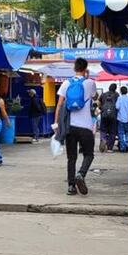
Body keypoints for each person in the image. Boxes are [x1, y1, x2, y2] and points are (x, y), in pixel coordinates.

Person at [54, 58, 97, 196]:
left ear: (74, 68)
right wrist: (87, 77)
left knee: (71, 158)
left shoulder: (66, 83)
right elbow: (94, 97)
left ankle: (71, 187)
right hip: (86, 127)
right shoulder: (90, 83)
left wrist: (56, 124)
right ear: (86, 68)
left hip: (70, 127)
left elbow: (59, 105)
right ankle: (81, 174)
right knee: (89, 154)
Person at [100, 83, 120, 152]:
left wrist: (102, 108)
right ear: (115, 88)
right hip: (113, 116)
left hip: (104, 114)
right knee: (112, 131)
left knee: (103, 129)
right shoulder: (117, 95)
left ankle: (103, 139)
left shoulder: (103, 94)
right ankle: (109, 148)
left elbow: (99, 103)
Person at [116, 86, 128, 153]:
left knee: (121, 133)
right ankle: (127, 145)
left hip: (120, 119)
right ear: (127, 91)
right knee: (127, 133)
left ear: (121, 92)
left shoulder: (119, 98)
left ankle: (122, 147)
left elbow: (117, 107)